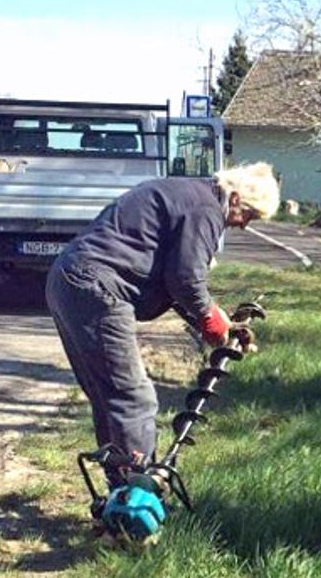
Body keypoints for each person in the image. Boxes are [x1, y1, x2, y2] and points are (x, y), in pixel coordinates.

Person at [46, 162, 279, 485]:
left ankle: (120, 491)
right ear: (236, 198)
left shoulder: (189, 195)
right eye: (249, 217)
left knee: (109, 397)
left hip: (70, 281)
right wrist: (211, 322)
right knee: (135, 398)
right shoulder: (206, 209)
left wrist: (216, 320)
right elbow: (185, 279)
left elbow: (175, 284)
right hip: (97, 287)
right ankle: (139, 496)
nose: (242, 226)